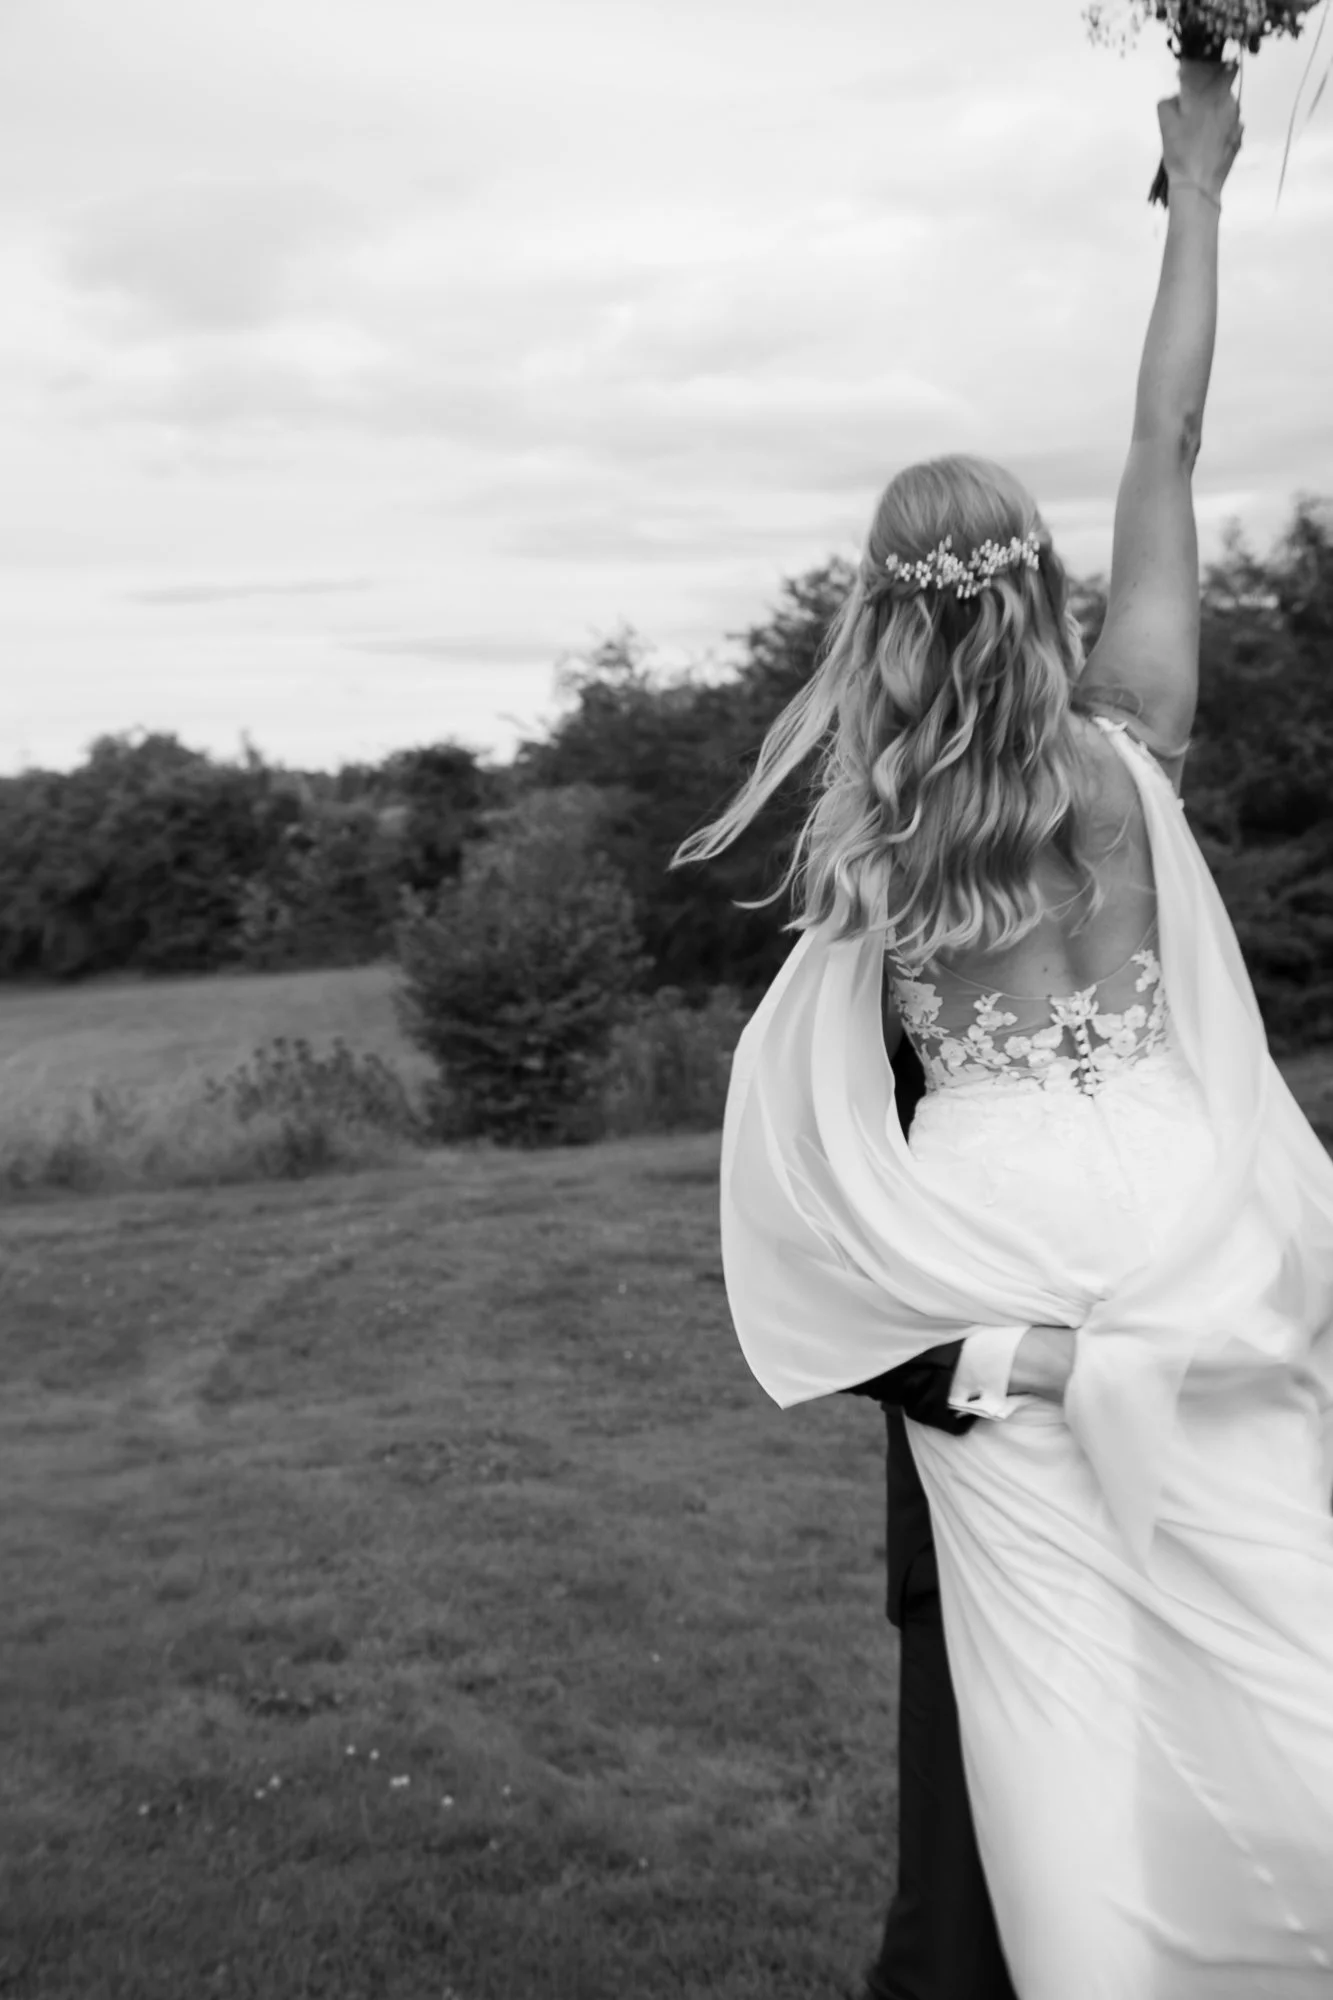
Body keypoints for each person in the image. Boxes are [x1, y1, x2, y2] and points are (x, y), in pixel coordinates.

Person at [675, 60, 1333, 1996]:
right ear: (1041, 590)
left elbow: (798, 1117)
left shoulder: (876, 827)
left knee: (1040, 1699)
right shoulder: (1132, 739)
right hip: (1173, 1214)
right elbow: (1175, 427)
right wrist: (1196, 185)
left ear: (883, 615)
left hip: (995, 1262)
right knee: (1264, 1624)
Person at [845, 1033, 1018, 2000]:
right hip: (976, 1524)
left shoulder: (1159, 956)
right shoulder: (886, 979)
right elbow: (828, 1293)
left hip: (1187, 1499)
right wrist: (1028, 1373)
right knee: (959, 1926)